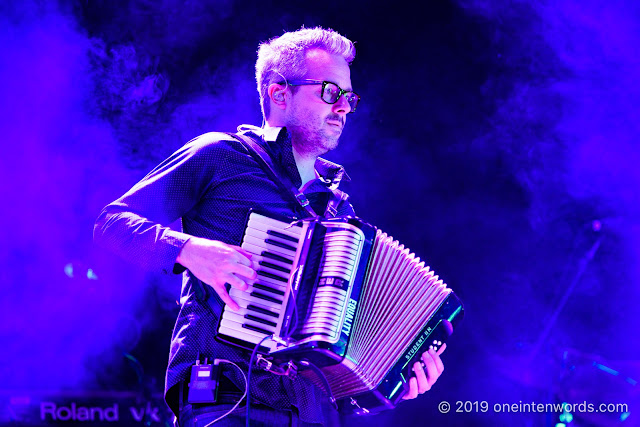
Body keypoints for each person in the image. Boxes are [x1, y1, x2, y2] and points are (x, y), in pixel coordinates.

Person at [94, 27, 446, 427]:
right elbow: (111, 224)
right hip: (227, 399)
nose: (344, 108)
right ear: (280, 93)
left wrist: (389, 382)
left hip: (314, 416)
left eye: (348, 98)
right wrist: (189, 251)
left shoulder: (338, 211)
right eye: (330, 93)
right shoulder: (221, 156)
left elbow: (338, 358)